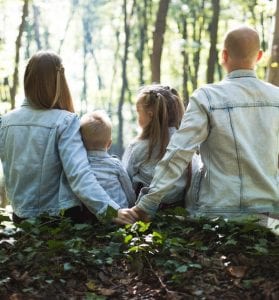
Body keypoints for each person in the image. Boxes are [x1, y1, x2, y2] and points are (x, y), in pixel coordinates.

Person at [115, 25, 279, 224]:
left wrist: (146, 204)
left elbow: (179, 152)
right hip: (269, 216)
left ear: (223, 55)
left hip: (218, 215)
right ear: (260, 56)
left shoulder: (207, 97)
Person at [0, 50, 137, 224]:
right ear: (59, 81)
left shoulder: (5, 122)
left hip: (20, 217)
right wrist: (111, 211)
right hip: (58, 220)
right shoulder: (65, 121)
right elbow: (79, 175)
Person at [122, 84, 187, 206]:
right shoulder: (185, 143)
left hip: (144, 211)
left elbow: (125, 181)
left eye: (138, 112)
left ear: (150, 115)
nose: (138, 118)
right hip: (179, 207)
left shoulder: (137, 147)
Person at [80, 110, 136, 208]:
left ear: (81, 143)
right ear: (109, 144)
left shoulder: (80, 165)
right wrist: (132, 207)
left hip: (91, 215)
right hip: (120, 212)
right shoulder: (115, 164)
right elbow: (128, 190)